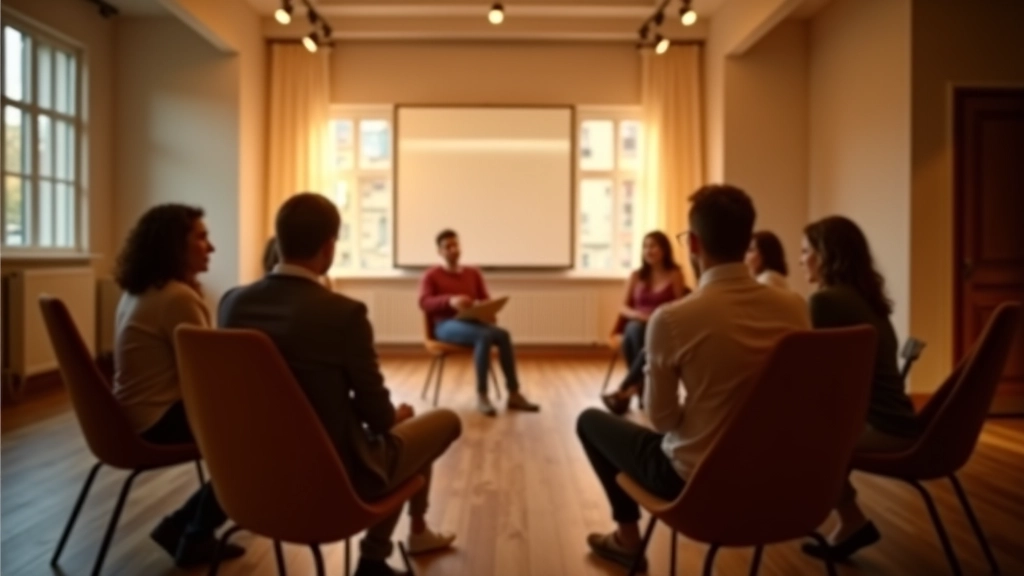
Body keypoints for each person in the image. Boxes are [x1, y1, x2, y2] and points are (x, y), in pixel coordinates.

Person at [220, 194, 460, 576]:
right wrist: (393, 416)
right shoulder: (342, 313)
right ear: (329, 246)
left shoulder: (232, 305)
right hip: (330, 481)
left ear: (279, 241)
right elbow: (379, 419)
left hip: (251, 479)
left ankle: (398, 544)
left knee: (404, 439)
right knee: (439, 422)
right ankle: (375, 558)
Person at [577, 185, 810, 571]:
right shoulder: (795, 307)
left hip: (697, 484)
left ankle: (627, 540)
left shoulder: (672, 318)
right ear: (746, 240)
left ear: (695, 244)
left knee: (589, 422)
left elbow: (664, 421)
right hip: (779, 479)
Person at [112, 204, 244, 567]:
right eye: (201, 238)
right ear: (175, 245)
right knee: (255, 441)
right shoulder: (177, 298)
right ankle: (192, 533)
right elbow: (208, 376)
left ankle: (182, 526)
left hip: (129, 418)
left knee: (245, 431)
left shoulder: (140, 291)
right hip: (156, 421)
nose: (211, 247)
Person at [798, 216, 920, 561]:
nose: (800, 259)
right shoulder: (867, 301)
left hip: (884, 429)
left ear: (825, 255)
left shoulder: (825, 302)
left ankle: (848, 519)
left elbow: (813, 377)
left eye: (806, 251)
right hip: (900, 421)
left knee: (799, 437)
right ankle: (847, 520)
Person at [418, 229, 540, 416]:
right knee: (483, 336)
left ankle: (514, 393)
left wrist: (487, 311)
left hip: (472, 321)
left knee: (503, 334)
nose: (452, 249)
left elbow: (484, 299)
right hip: (445, 325)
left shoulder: (473, 273)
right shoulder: (431, 275)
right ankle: (482, 395)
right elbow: (424, 302)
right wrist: (449, 301)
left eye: (455, 245)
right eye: (447, 247)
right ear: (439, 252)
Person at [600, 231, 688, 414]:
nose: (649, 250)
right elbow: (622, 307)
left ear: (664, 249)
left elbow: (680, 305)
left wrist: (657, 317)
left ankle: (627, 389)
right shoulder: (636, 275)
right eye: (645, 246)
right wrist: (640, 315)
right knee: (635, 329)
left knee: (647, 339)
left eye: (654, 246)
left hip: (664, 327)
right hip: (638, 325)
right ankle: (639, 389)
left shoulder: (675, 274)